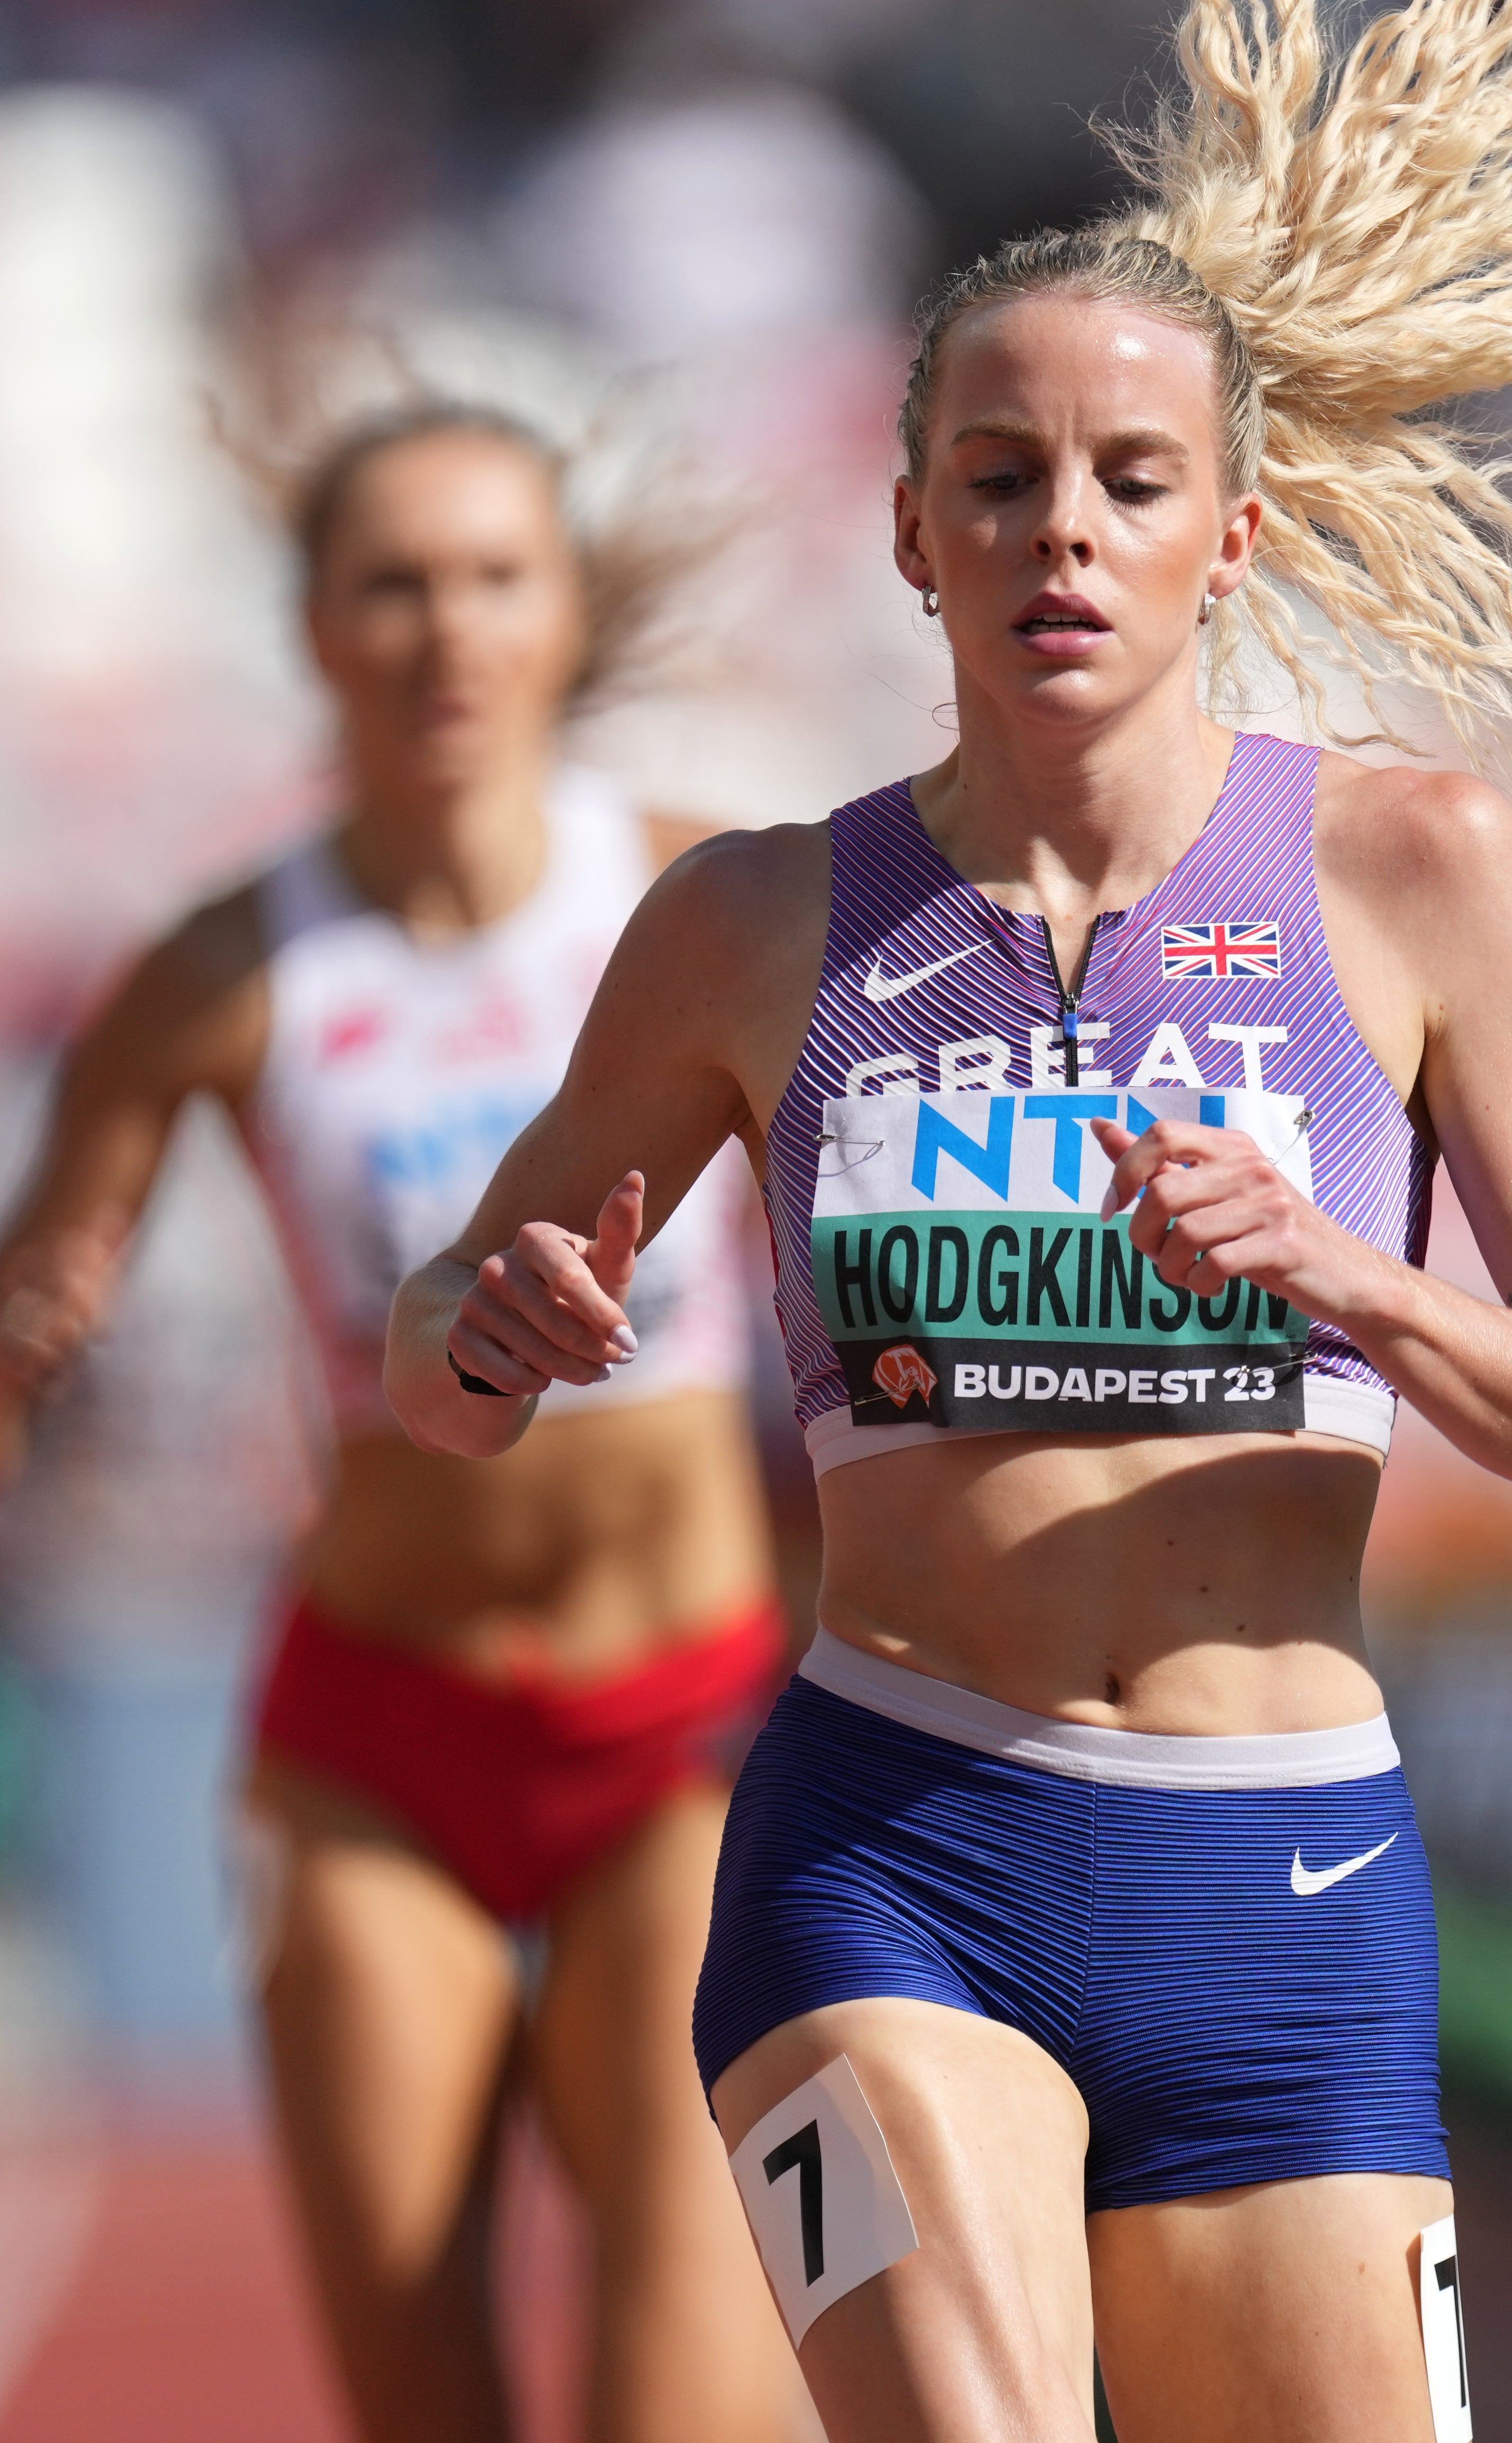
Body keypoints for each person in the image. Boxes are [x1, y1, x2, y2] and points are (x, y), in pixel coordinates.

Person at [386, 0, 1512, 2443]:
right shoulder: (752, 922)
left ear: (1229, 538)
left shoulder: (1409, 873)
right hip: (887, 1853)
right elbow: (437, 1357)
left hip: (1285, 1891)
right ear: (912, 539)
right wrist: (496, 1317)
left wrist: (1346, 1270)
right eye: (998, 481)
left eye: (1128, 486)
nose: (1063, 534)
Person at [0, 401, 804, 2443]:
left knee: (680, 2408)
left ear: (566, 620)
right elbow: (29, 1313)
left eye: (496, 579)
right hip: (378, 1742)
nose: (449, 632)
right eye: (395, 585)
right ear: (318, 631)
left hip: (681, 1744)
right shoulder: (215, 973)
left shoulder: (707, 905)